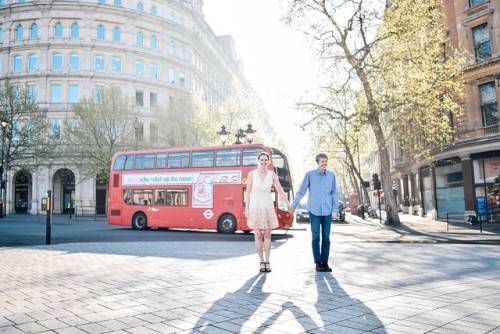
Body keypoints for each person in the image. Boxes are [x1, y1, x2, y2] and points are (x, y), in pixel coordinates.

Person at [245, 152, 294, 273]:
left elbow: (280, 190)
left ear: (269, 161)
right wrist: (246, 209)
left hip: (267, 206)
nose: (263, 162)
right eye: (261, 160)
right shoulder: (251, 174)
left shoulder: (272, 175)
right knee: (258, 235)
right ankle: (261, 261)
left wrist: (288, 204)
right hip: (255, 207)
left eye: (265, 160)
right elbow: (248, 193)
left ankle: (267, 261)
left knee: (267, 235)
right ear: (258, 161)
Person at [292, 153, 339, 272]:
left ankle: (325, 262)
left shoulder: (331, 176)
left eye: (326, 161)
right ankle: (318, 262)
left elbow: (335, 193)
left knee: (326, 238)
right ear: (317, 162)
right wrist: (293, 205)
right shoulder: (310, 175)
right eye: (322, 161)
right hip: (314, 211)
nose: (324, 163)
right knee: (316, 237)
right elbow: (301, 191)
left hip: (328, 211)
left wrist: (335, 209)